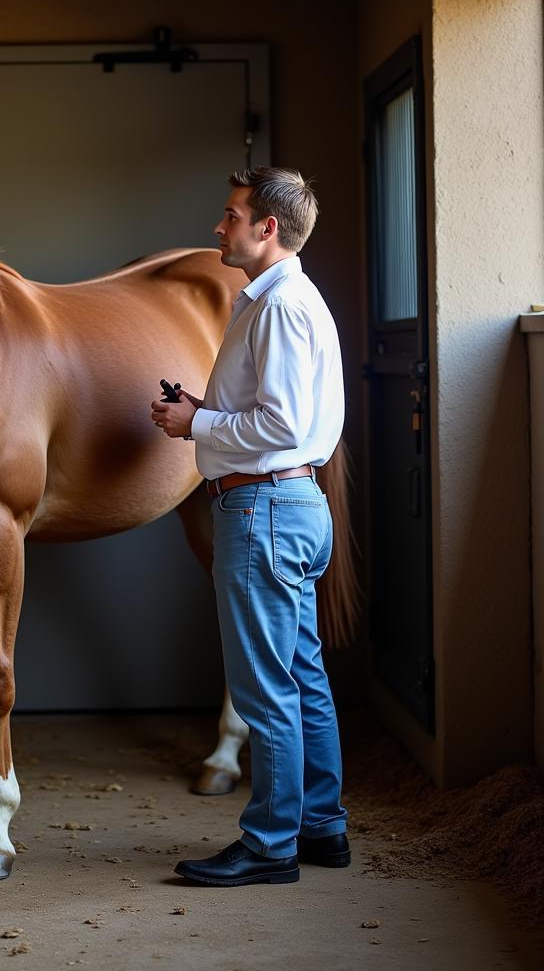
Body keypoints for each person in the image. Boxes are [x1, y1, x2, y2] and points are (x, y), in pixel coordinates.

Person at [150, 167, 349, 886]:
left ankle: (270, 846)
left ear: (268, 228)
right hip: (286, 504)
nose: (219, 227)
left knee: (266, 686)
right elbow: (280, 418)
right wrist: (203, 411)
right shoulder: (281, 301)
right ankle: (320, 829)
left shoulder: (282, 308)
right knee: (301, 675)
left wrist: (195, 422)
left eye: (230, 216)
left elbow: (283, 424)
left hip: (262, 509)